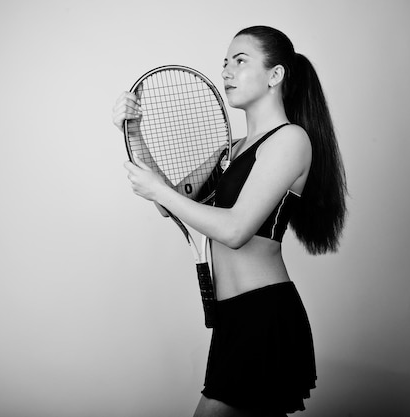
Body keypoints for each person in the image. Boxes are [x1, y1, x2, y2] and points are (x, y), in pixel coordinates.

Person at [112, 25, 347, 417]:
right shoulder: (232, 149)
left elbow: (236, 230)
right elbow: (173, 202)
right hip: (234, 319)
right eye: (224, 62)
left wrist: (159, 191)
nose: (226, 72)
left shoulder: (290, 141)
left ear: (276, 75)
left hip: (264, 315)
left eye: (240, 61)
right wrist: (134, 133)